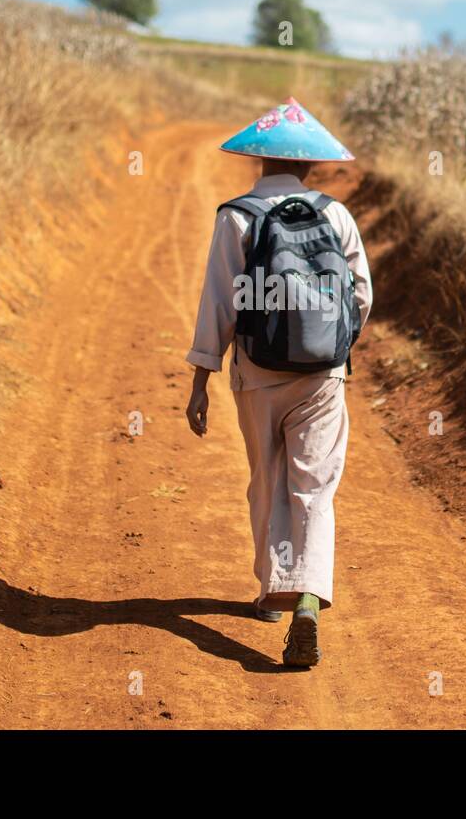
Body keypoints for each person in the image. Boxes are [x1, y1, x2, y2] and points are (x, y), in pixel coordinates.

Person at [185, 98, 372, 668]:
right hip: (322, 377)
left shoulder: (236, 216)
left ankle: (272, 589)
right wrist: (332, 348)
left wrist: (201, 378)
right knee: (313, 488)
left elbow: (218, 300)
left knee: (266, 480)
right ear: (311, 164)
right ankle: (308, 603)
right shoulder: (335, 215)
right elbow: (361, 295)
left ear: (258, 159)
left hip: (258, 375)